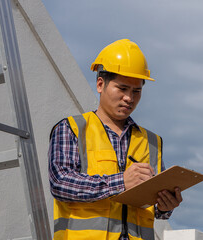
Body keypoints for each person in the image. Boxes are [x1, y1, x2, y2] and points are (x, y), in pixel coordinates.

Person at [48, 39, 182, 240]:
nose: (129, 98)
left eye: (136, 91)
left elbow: (152, 207)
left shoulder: (151, 142)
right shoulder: (72, 128)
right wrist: (121, 182)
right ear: (100, 84)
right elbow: (61, 183)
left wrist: (165, 206)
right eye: (122, 88)